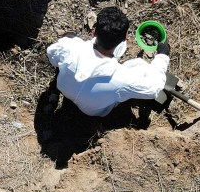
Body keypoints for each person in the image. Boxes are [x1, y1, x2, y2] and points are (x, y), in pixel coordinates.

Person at [46, 7, 174, 117]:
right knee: (140, 66)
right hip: (94, 111)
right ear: (125, 38)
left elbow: (51, 53)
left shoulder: (70, 46)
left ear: (94, 32)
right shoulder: (121, 79)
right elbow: (154, 89)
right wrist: (162, 56)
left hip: (65, 89)